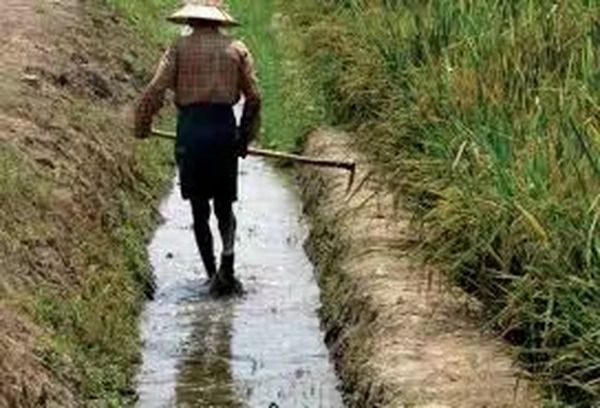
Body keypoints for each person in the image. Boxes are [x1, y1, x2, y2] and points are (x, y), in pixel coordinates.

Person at [134, 1, 262, 296]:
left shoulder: (178, 48)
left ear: (190, 20)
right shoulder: (236, 49)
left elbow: (155, 89)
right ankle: (228, 261)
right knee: (225, 205)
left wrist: (142, 123)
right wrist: (243, 138)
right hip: (223, 129)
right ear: (219, 22)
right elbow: (254, 97)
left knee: (199, 208)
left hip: (191, 131)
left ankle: (211, 275)